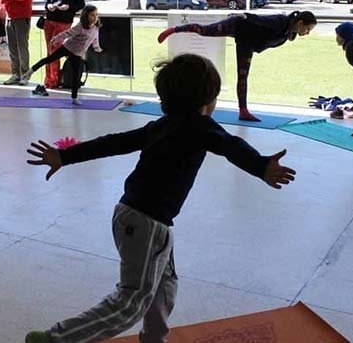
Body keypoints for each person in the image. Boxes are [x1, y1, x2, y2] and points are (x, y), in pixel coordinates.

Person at [24, 53, 295, 343]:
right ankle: (56, 339)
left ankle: (154, 339)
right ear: (208, 100)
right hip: (148, 224)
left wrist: (64, 156)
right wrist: (261, 166)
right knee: (131, 302)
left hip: (131, 215)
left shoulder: (161, 126)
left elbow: (114, 143)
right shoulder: (201, 126)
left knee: (164, 287)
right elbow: (231, 146)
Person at [157, 11, 317, 121]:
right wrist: (245, 16)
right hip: (238, 25)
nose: (307, 33)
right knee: (205, 30)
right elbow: (262, 20)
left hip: (246, 43)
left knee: (243, 76)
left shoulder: (287, 33)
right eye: (308, 29)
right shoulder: (281, 22)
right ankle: (174, 29)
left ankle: (243, 111)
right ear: (300, 23)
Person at [24, 5, 101, 104]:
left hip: (77, 54)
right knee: (50, 59)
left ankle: (74, 97)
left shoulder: (95, 28)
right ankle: (30, 71)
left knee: (76, 75)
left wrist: (97, 48)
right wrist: (56, 38)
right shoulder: (80, 27)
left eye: (96, 15)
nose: (95, 17)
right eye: (92, 15)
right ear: (86, 16)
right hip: (67, 48)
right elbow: (68, 33)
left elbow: (95, 39)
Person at [34, 0, 84, 95]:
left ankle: (54, 80)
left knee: (55, 50)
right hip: (49, 22)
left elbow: (81, 4)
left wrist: (69, 7)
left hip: (64, 23)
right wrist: (50, 6)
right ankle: (49, 80)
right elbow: (47, 3)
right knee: (49, 51)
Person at [2, 0, 36, 85]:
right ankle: (15, 74)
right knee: (12, 49)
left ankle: (25, 75)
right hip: (9, 18)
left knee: (22, 48)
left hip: (22, 18)